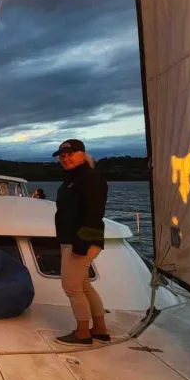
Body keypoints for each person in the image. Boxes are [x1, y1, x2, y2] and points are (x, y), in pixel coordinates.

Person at [52, 139, 109, 346]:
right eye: (62, 156)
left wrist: (81, 245)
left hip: (81, 241)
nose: (66, 158)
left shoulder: (89, 178)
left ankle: (82, 334)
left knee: (72, 287)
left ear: (83, 155)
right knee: (84, 286)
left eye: (70, 154)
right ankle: (100, 329)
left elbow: (94, 213)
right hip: (74, 239)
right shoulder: (73, 179)